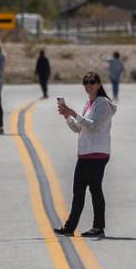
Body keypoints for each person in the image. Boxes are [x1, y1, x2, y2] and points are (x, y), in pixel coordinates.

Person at [54, 72, 117, 238]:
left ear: (98, 84)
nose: (88, 85)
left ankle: (98, 227)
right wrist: (68, 116)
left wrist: (74, 113)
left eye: (92, 82)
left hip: (97, 154)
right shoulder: (88, 104)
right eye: (86, 82)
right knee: (78, 191)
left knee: (95, 190)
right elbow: (78, 128)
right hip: (85, 154)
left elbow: (94, 126)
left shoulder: (102, 104)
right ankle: (69, 228)